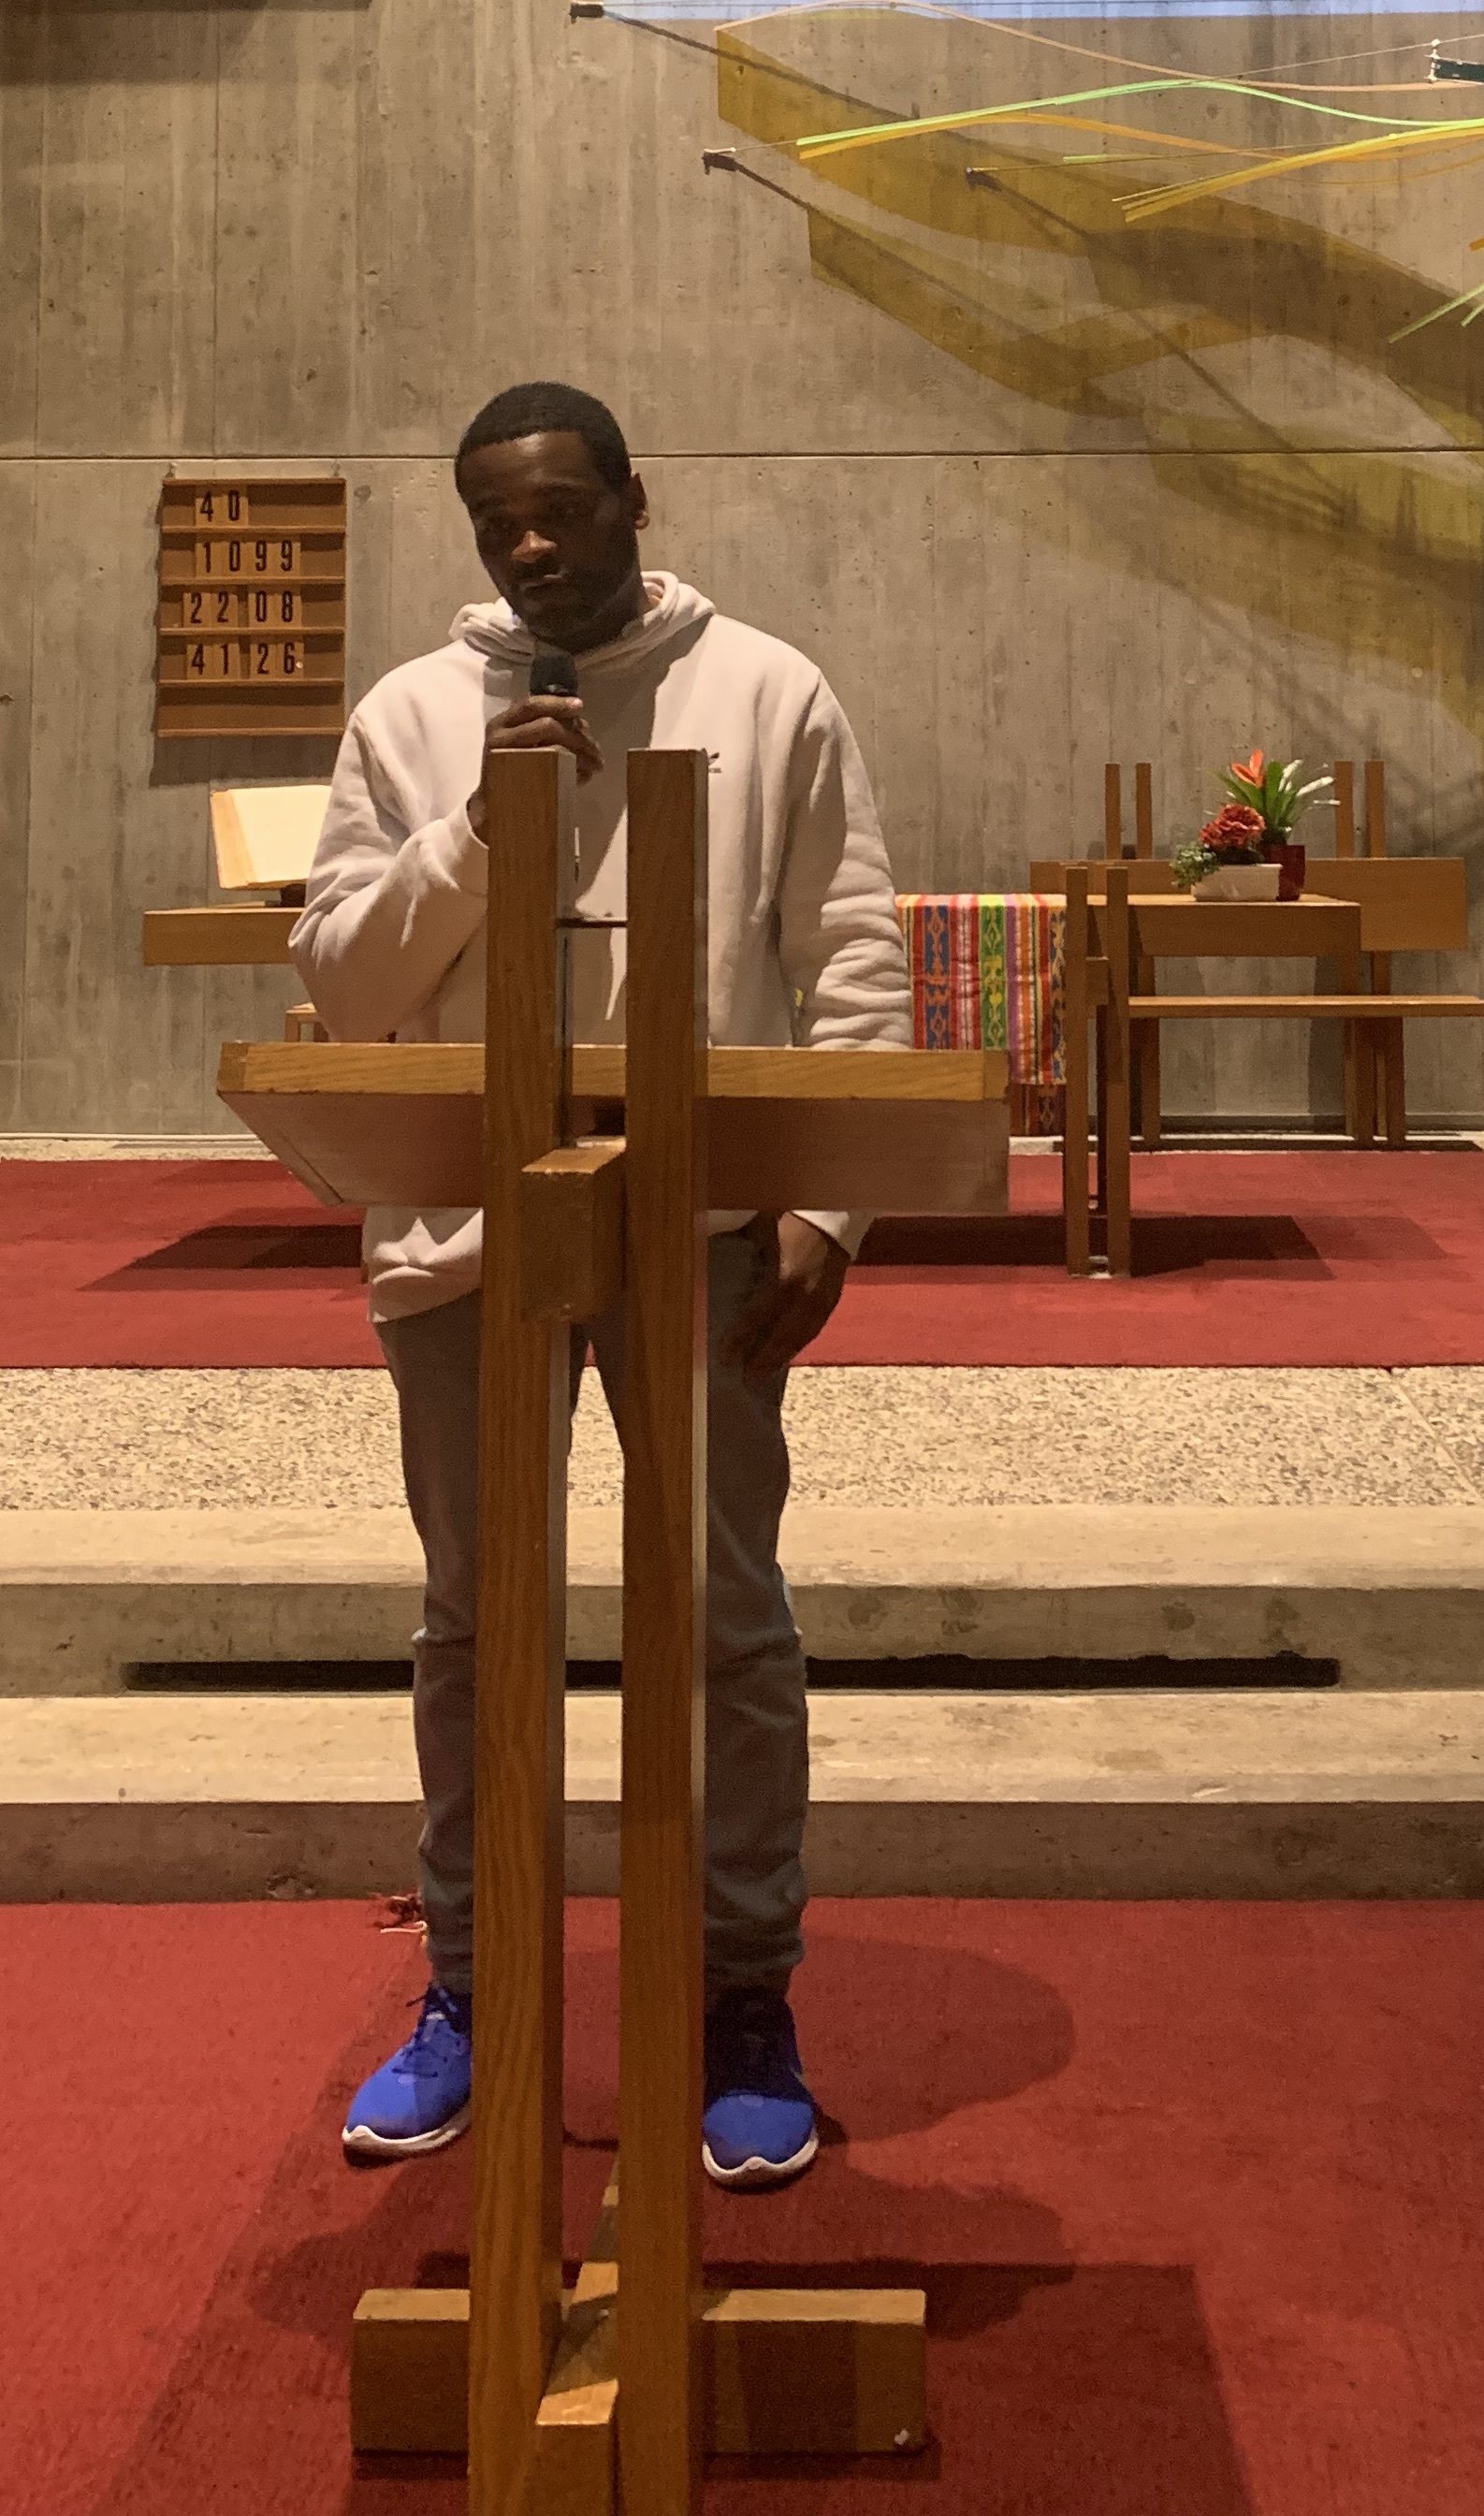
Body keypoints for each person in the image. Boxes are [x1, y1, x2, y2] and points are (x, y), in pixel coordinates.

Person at [291, 379, 907, 2188]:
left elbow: (851, 952)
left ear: (639, 498)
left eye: (562, 508)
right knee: (475, 1623)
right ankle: (471, 1987)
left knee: (725, 1616)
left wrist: (832, 1210)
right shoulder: (413, 714)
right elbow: (343, 984)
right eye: (499, 522)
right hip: (467, 1230)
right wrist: (481, 830)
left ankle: (742, 1997)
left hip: (700, 1226)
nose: (533, 544)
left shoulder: (768, 690)